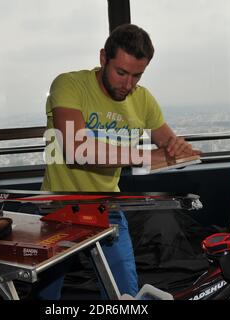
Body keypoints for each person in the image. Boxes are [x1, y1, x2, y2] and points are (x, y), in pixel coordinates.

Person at [38, 24, 200, 299]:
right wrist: (145, 156)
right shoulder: (69, 84)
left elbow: (169, 145)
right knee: (44, 294)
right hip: (57, 207)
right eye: (121, 72)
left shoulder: (143, 99)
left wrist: (179, 149)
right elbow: (77, 150)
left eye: (137, 75)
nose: (128, 84)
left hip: (106, 207)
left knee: (124, 295)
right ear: (103, 58)